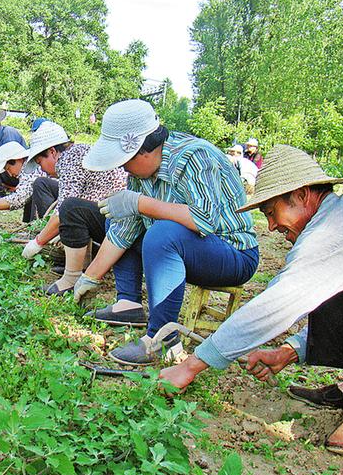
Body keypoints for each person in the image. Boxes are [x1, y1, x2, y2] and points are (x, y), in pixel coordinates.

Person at [160, 144, 343, 455]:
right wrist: (289, 351)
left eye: (271, 212)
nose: (271, 226)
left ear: (302, 195)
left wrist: (192, 365)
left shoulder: (337, 232)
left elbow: (276, 304)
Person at [74, 99, 259, 364]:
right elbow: (124, 230)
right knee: (118, 218)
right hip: (188, 247)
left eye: (125, 161)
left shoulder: (194, 157)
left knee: (161, 233)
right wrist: (89, 277)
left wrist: (140, 203)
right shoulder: (139, 173)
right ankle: (128, 304)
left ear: (143, 151)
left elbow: (204, 220)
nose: (123, 168)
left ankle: (161, 339)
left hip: (232, 253)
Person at [20, 121, 127, 296]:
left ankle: (70, 280)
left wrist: (38, 242)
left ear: (53, 152)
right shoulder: (80, 151)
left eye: (40, 162)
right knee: (72, 209)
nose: (43, 170)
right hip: (113, 212)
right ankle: (81, 266)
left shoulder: (69, 159)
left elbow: (65, 206)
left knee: (70, 209)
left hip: (116, 219)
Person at [0, 142, 59, 223]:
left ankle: (42, 228)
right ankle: (30, 225)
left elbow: (17, 200)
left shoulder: (31, 167)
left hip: (60, 201)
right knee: (30, 192)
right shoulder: (26, 168)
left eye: (8, 168)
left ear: (17, 160)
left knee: (38, 185)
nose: (9, 173)